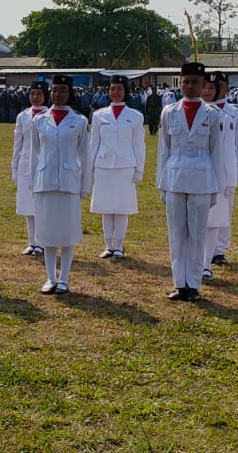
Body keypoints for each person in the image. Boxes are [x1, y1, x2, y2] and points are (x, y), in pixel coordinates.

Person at [155, 62, 227, 301]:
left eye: (195, 82)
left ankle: (193, 284)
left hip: (202, 178)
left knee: (197, 234)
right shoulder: (169, 112)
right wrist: (161, 183)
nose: (190, 86)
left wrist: (217, 188)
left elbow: (217, 152)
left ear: (204, 85)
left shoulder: (213, 115)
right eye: (186, 81)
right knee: (176, 234)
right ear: (180, 83)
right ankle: (179, 283)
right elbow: (163, 151)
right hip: (175, 177)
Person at [29, 74, 93, 294]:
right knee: (46, 231)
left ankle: (64, 277)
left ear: (70, 93)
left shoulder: (80, 121)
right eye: (54, 90)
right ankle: (50, 277)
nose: (58, 94)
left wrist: (85, 186)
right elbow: (36, 153)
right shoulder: (39, 120)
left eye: (62, 91)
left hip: (68, 182)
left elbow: (85, 156)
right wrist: (32, 182)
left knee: (67, 232)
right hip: (45, 181)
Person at [89, 75, 144, 260]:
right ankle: (108, 245)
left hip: (125, 165)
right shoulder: (99, 115)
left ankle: (119, 245)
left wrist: (139, 169)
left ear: (125, 91)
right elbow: (93, 143)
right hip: (103, 164)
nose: (116, 92)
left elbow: (139, 145)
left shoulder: (135, 116)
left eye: (120, 89)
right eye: (113, 89)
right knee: (106, 207)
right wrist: (90, 168)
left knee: (121, 207)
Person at [202, 72, 238, 279]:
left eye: (218, 86)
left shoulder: (235, 112)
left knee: (224, 211)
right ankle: (207, 252)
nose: (212, 90)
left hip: (227, 169)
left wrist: (237, 171)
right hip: (206, 170)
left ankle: (220, 249)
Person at [11, 79, 49, 257]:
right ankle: (32, 242)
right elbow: (18, 144)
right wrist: (15, 167)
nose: (35, 97)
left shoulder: (49, 115)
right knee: (28, 207)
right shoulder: (23, 116)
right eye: (32, 94)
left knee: (41, 207)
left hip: (43, 165)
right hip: (25, 164)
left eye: (39, 94)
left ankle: (42, 242)